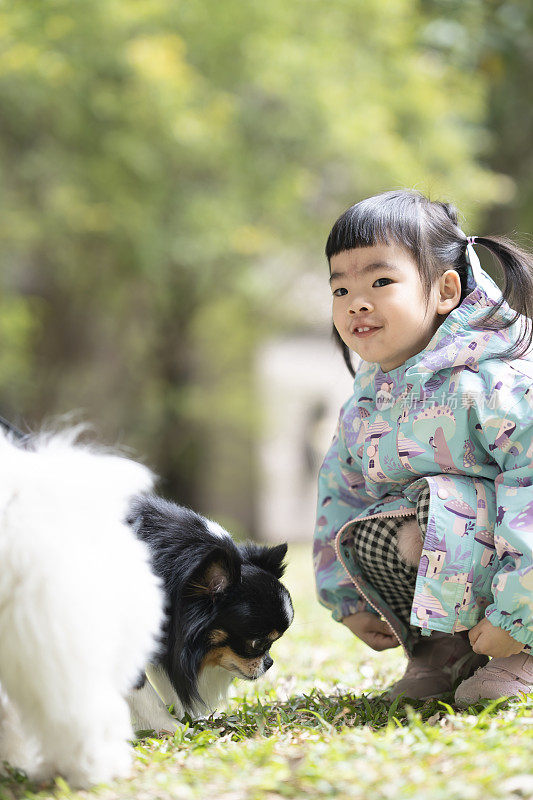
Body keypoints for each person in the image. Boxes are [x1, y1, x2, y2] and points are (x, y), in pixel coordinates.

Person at [313, 189, 533, 705]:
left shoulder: (497, 384)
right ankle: (447, 647)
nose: (357, 303)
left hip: (521, 578)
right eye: (340, 290)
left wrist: (517, 616)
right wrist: (346, 598)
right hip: (462, 555)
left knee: (441, 503)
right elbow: (337, 492)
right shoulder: (368, 402)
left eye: (381, 282)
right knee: (394, 522)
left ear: (445, 291)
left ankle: (521, 651)